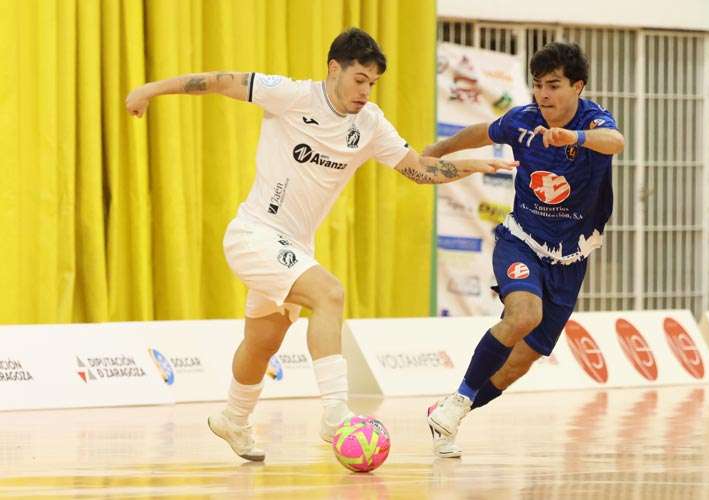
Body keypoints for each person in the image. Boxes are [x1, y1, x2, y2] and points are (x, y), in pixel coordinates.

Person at [125, 27, 517, 462]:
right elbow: (219, 81)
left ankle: (234, 419)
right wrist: (151, 89)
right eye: (359, 80)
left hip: (292, 245)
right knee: (329, 293)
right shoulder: (290, 95)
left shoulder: (369, 124)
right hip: (254, 233)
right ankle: (335, 413)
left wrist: (467, 166)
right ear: (334, 68)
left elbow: (417, 169)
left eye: (373, 83)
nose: (366, 92)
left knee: (263, 342)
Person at [424, 42, 625, 458]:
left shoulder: (594, 121)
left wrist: (575, 137)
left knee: (519, 363)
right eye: (537, 86)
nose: (544, 95)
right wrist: (437, 150)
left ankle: (448, 413)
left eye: (554, 85)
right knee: (524, 315)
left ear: (578, 87)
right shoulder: (523, 121)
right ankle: (459, 399)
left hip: (570, 258)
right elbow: (481, 132)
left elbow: (615, 141)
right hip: (522, 240)